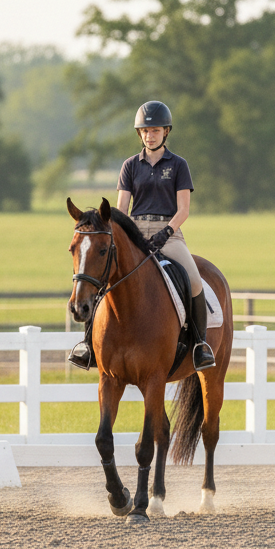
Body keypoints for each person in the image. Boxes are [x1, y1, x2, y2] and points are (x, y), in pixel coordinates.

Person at [70, 100, 216, 372]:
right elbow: (121, 209)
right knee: (103, 279)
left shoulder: (179, 165)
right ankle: (88, 345)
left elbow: (183, 209)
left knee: (194, 281)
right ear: (140, 134)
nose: (151, 135)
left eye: (156, 130)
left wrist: (166, 233)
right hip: (134, 233)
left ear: (166, 132)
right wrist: (124, 233)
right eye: (146, 131)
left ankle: (199, 345)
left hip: (169, 234)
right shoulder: (129, 166)